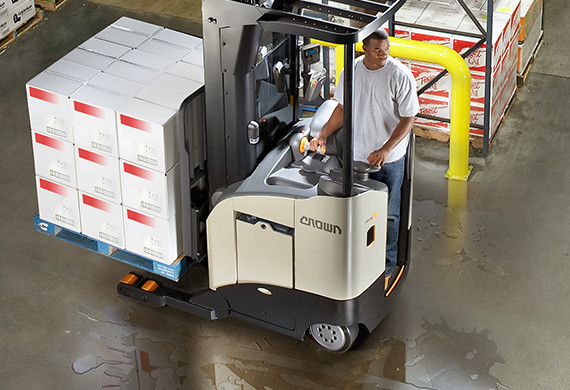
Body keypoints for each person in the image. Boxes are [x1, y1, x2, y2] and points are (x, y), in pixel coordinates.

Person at [309, 28, 419, 289]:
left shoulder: (399, 75)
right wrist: (323, 135)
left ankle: (387, 268)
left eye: (387, 49)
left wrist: (386, 148)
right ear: (364, 49)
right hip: (355, 157)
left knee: (390, 216)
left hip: (388, 161)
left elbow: (409, 118)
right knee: (357, 214)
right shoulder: (352, 71)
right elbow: (342, 109)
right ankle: (357, 263)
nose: (384, 54)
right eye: (378, 50)